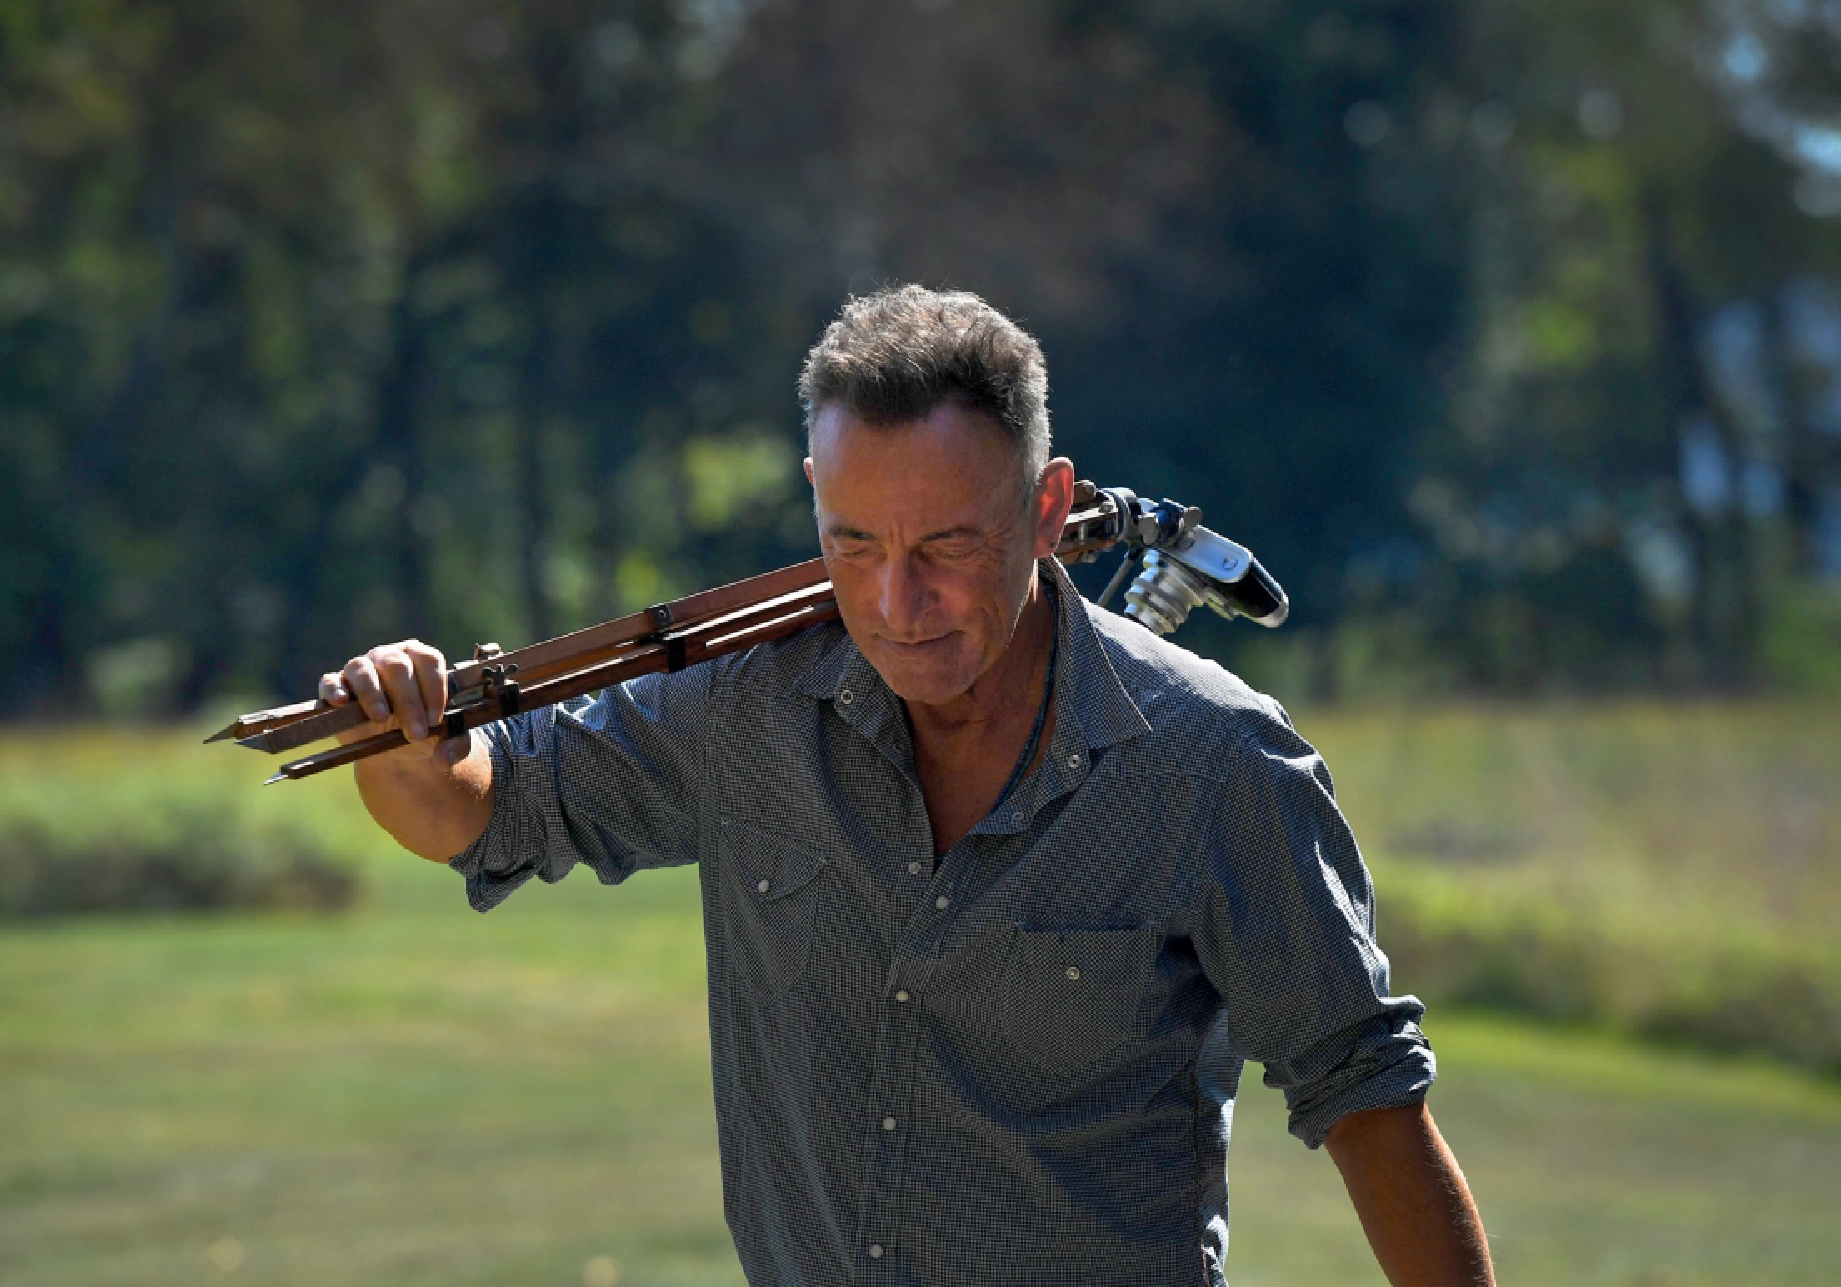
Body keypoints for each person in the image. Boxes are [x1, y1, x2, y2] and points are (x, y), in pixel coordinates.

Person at [325, 285, 1494, 1286]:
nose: (896, 604)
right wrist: (403, 740)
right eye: (854, 544)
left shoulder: (1214, 763)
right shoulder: (744, 706)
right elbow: (483, 810)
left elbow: (1367, 1101)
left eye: (945, 547)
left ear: (1047, 508)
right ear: (813, 496)